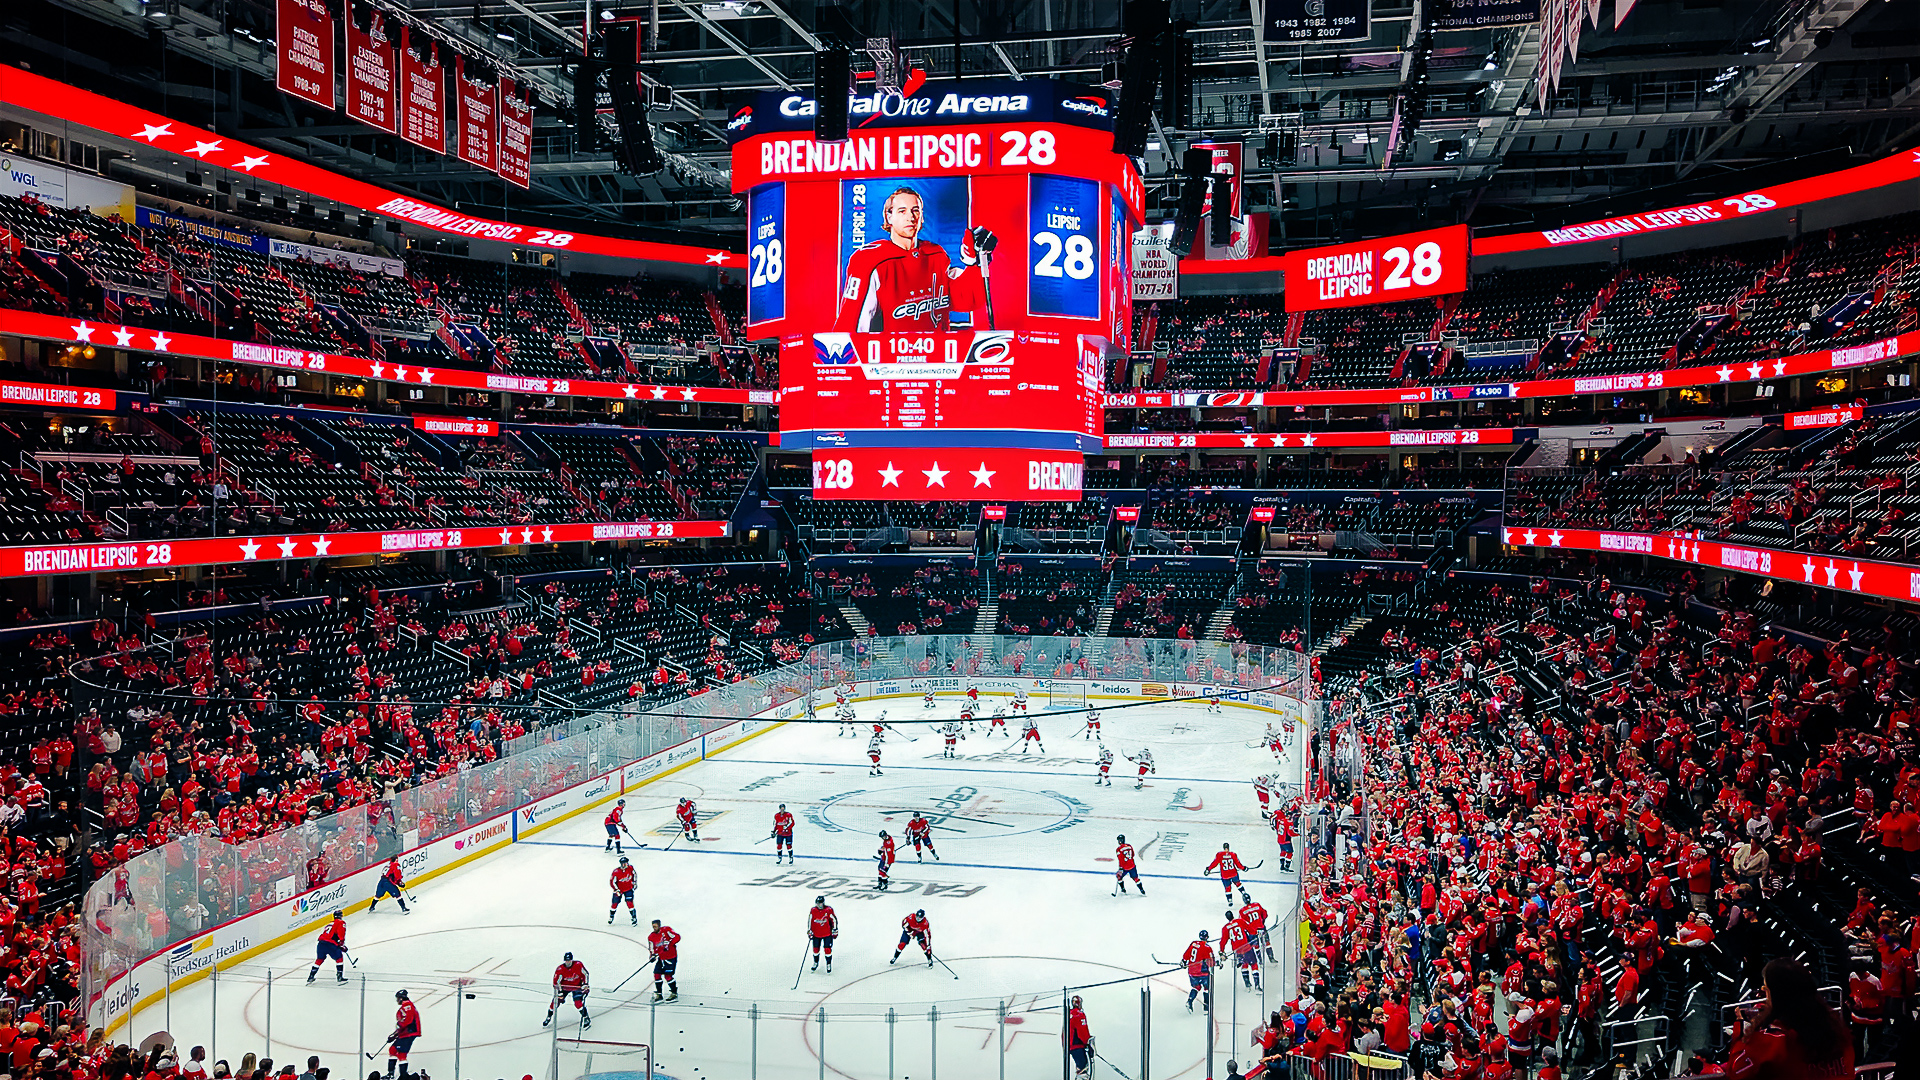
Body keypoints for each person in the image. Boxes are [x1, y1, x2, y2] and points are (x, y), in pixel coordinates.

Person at [1725, 959, 1852, 1080]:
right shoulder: (1839, 1034)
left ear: (1777, 996)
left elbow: (1736, 1072)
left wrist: (1741, 1031)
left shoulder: (1771, 1042)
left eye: (1766, 990)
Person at [544, 952, 590, 1029]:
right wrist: (560, 992)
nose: (568, 962)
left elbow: (586, 974)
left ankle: (586, 1017)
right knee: (555, 1002)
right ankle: (548, 1017)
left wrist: (585, 984)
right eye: (566, 960)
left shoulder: (578, 965)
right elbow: (556, 982)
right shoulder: (560, 969)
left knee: (578, 1003)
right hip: (564, 987)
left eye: (569, 960)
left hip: (577, 986)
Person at [384, 990, 420, 1080]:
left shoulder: (407, 1006)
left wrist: (396, 1032)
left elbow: (407, 1021)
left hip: (409, 1033)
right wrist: (395, 1035)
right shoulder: (405, 1006)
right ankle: (390, 1073)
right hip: (405, 1033)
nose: (397, 1000)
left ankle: (403, 1076)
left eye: (397, 998)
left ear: (401, 998)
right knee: (392, 1049)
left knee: (401, 1054)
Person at [307, 910, 348, 983]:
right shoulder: (341, 923)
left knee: (319, 959)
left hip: (321, 943)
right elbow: (341, 934)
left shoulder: (329, 924)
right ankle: (339, 977)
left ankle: (311, 976)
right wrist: (342, 945)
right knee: (339, 958)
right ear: (341, 916)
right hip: (330, 944)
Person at [646, 920, 681, 1002]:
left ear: (659, 925)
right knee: (656, 974)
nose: (654, 928)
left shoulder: (666, 930)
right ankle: (659, 994)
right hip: (661, 958)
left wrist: (670, 943)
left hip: (671, 957)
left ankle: (674, 993)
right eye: (653, 926)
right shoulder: (651, 937)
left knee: (667, 976)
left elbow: (677, 937)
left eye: (655, 926)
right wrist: (652, 956)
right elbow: (652, 948)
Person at [1182, 930, 1215, 1012]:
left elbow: (1186, 955)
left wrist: (1183, 961)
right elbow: (1211, 963)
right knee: (1207, 988)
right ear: (1207, 937)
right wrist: (1216, 963)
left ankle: (1189, 1001)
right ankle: (1206, 1008)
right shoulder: (1207, 948)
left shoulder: (1193, 943)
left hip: (1192, 971)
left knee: (1196, 987)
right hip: (1202, 972)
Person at [808, 895, 838, 973]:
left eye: (820, 903)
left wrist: (834, 930)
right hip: (816, 934)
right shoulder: (813, 910)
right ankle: (815, 962)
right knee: (815, 950)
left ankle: (828, 964)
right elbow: (810, 920)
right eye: (818, 903)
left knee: (827, 950)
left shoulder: (828, 910)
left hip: (827, 934)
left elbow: (834, 920)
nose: (819, 905)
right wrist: (809, 930)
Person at [1067, 995, 1094, 1078]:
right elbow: (1082, 1031)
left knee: (1080, 1067)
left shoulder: (1068, 1014)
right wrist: (1088, 1043)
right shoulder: (1079, 1015)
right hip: (1077, 1045)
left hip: (1070, 1046)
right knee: (1083, 1068)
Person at [608, 857, 637, 925]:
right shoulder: (616, 872)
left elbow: (634, 875)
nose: (625, 865)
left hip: (628, 889)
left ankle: (634, 917)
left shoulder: (630, 868)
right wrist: (616, 890)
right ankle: (611, 916)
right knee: (614, 904)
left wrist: (634, 882)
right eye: (623, 863)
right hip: (619, 890)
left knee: (630, 903)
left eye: (626, 863)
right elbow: (612, 882)